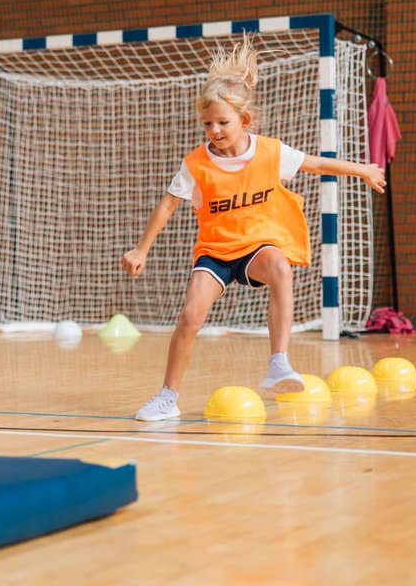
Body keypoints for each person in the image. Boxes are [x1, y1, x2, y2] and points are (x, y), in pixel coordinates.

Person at [121, 36, 386, 421]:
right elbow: (167, 204)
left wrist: (361, 169)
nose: (214, 129)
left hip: (256, 248)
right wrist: (141, 249)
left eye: (223, 122)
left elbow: (316, 164)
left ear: (244, 120)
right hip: (214, 252)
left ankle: (279, 361)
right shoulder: (195, 163)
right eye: (207, 123)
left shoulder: (270, 152)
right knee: (191, 317)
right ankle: (167, 396)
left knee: (279, 266)